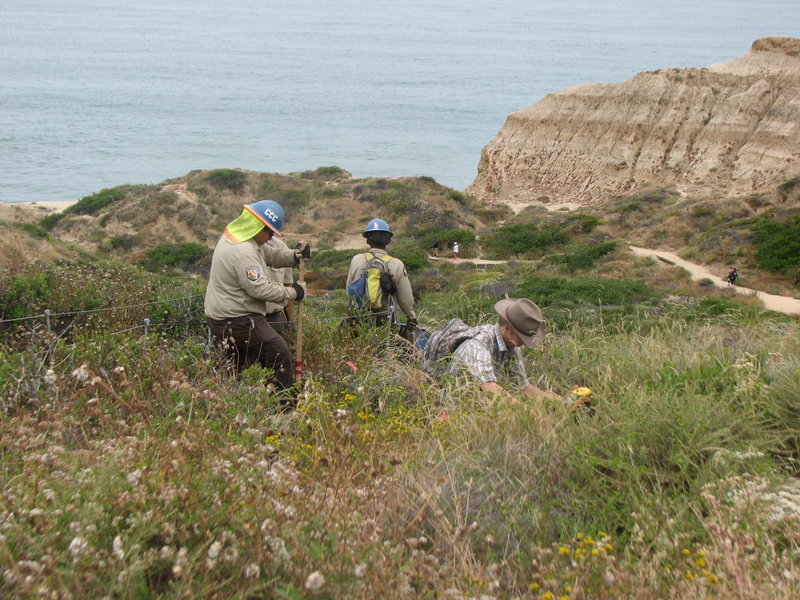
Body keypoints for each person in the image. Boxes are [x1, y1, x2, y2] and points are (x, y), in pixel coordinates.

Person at [204, 199, 310, 390]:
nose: (270, 237)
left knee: (235, 366)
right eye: (269, 232)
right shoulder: (244, 252)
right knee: (279, 354)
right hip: (238, 319)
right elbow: (259, 288)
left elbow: (269, 255)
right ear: (258, 226)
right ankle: (284, 407)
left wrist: (294, 256)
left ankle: (230, 406)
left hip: (223, 315)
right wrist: (294, 292)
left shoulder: (238, 235)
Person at [421, 298, 560, 403]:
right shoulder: (477, 345)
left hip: (477, 405)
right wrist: (529, 415)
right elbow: (489, 388)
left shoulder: (511, 345)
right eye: (522, 338)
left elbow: (524, 388)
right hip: (454, 410)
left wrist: (562, 401)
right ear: (506, 329)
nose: (523, 344)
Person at [346, 218, 417, 330]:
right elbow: (405, 297)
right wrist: (411, 316)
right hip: (385, 319)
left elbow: (350, 290)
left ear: (368, 240)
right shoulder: (396, 264)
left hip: (359, 317)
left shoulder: (356, 260)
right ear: (388, 240)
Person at [261, 235, 295, 337]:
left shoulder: (282, 248)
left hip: (275, 317)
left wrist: (291, 322)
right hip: (249, 317)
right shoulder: (245, 248)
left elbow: (288, 285)